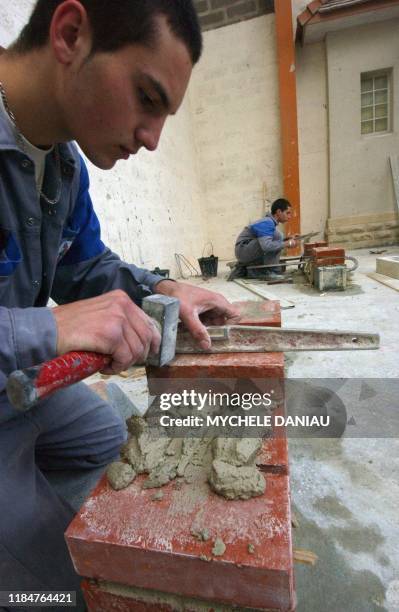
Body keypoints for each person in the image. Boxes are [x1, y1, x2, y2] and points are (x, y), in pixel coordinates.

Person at [0, 1, 238, 607]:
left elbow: (87, 268)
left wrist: (161, 289)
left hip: (15, 386)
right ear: (71, 34)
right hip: (16, 373)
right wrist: (49, 329)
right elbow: (55, 320)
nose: (152, 139)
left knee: (110, 439)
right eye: (147, 97)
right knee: (61, 589)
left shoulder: (62, 167)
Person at [233, 198, 298, 280]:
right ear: (278, 212)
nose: (289, 216)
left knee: (278, 236)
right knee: (276, 238)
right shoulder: (267, 222)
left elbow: (272, 242)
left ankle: (266, 269)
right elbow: (266, 246)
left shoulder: (269, 222)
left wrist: (288, 239)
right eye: (287, 213)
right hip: (242, 251)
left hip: (245, 249)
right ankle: (266, 271)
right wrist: (288, 243)